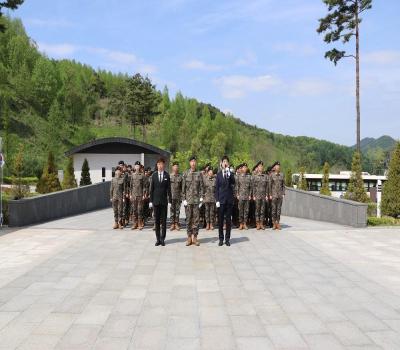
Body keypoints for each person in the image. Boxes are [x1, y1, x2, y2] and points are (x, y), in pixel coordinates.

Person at [149, 157, 172, 246]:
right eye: (158, 164)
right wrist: (151, 201)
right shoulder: (154, 175)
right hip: (156, 202)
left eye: (161, 164)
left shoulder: (167, 175)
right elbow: (151, 189)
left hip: (164, 202)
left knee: (164, 221)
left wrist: (170, 200)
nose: (160, 166)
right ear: (157, 165)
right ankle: (158, 239)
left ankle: (163, 239)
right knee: (157, 221)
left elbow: (169, 189)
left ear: (164, 165)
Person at [182, 155, 203, 246]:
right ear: (189, 163)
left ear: (196, 163)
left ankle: (195, 238)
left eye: (194, 161)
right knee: (188, 220)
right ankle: (189, 237)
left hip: (196, 201)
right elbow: (183, 188)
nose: (193, 163)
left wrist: (201, 198)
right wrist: (184, 199)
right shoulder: (185, 173)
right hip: (188, 201)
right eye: (192, 162)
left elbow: (202, 187)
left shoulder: (199, 174)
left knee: (196, 220)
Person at [215, 155, 235, 246]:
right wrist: (217, 200)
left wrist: (229, 172)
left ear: (228, 163)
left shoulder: (230, 173)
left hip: (229, 200)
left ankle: (227, 239)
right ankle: (221, 238)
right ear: (221, 163)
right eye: (224, 162)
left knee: (228, 221)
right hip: (221, 201)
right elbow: (216, 188)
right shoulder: (218, 175)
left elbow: (233, 182)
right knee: (220, 220)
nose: (225, 163)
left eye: (227, 162)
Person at [252, 161, 269, 230]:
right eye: (259, 166)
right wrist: (253, 195)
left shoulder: (265, 177)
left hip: (263, 196)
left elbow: (267, 187)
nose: (261, 168)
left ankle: (261, 223)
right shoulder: (255, 177)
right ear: (257, 168)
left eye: (262, 166)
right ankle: (257, 223)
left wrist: (267, 195)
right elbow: (253, 187)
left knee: (262, 210)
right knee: (257, 210)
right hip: (257, 195)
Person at [269, 161, 285, 230]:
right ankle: (274, 223)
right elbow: (270, 186)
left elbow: (283, 185)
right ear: (274, 168)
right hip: (274, 195)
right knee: (273, 210)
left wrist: (283, 193)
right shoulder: (272, 175)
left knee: (278, 210)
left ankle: (278, 223)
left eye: (279, 166)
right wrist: (270, 194)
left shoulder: (282, 175)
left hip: (280, 195)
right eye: (277, 166)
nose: (278, 167)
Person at [130, 161, 146, 230]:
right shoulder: (132, 175)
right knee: (134, 209)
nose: (137, 167)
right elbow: (130, 186)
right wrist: (130, 194)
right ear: (134, 167)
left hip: (140, 195)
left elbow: (144, 186)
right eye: (136, 166)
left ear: (140, 167)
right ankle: (134, 223)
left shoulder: (142, 175)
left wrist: (144, 194)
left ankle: (139, 223)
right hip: (133, 195)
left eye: (138, 166)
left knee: (140, 210)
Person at [236, 163, 252, 230]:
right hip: (241, 196)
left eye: (246, 167)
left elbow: (251, 187)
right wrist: (237, 194)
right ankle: (241, 224)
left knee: (246, 210)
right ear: (241, 169)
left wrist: (250, 195)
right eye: (244, 167)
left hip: (247, 196)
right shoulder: (239, 177)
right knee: (240, 210)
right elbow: (237, 186)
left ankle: (245, 223)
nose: (245, 168)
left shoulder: (249, 177)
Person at [170, 161, 183, 231]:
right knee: (172, 210)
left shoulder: (180, 177)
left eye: (177, 166)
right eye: (175, 166)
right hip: (171, 196)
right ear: (172, 167)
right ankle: (172, 223)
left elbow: (182, 187)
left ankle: (176, 223)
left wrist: (182, 196)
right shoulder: (170, 176)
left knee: (177, 210)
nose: (176, 167)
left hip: (178, 196)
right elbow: (168, 187)